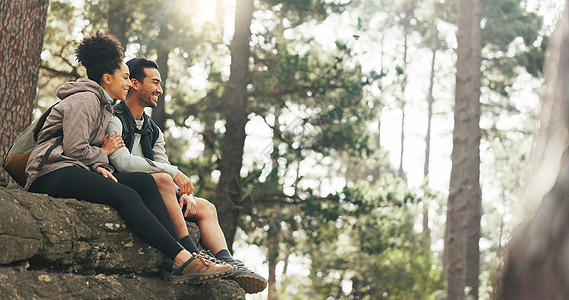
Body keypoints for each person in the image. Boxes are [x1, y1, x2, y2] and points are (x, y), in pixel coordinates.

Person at [24, 32, 234, 285]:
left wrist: (99, 165)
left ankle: (184, 256)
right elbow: (75, 148)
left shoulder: (103, 106)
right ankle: (183, 260)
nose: (128, 83)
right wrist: (105, 154)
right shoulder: (85, 100)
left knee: (145, 184)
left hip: (69, 168)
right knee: (126, 195)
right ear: (107, 78)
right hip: (49, 172)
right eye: (125, 77)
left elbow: (86, 151)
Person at [106, 57, 267, 294]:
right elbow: (122, 161)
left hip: (156, 189)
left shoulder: (153, 130)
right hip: (126, 186)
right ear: (135, 83)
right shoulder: (114, 117)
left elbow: (162, 164)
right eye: (155, 83)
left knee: (205, 207)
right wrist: (172, 174)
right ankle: (191, 254)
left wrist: (183, 193)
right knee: (162, 179)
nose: (160, 90)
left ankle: (230, 262)